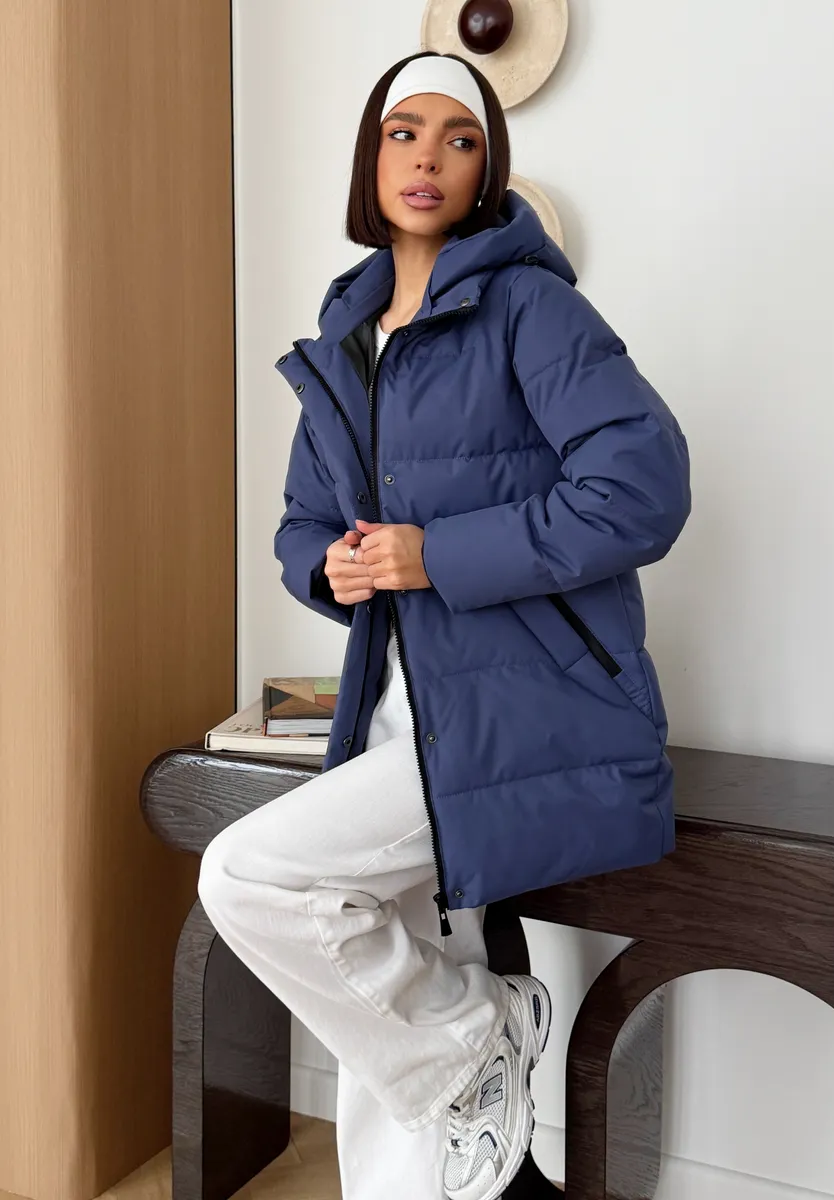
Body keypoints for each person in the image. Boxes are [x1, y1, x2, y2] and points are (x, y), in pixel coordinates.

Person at [198, 50, 691, 1200]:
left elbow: (643, 489)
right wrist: (329, 566)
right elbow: (301, 522)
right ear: (370, 162)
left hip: (527, 708)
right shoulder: (347, 334)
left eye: (458, 139)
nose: (427, 157)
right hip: (392, 707)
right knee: (383, 1034)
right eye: (403, 134)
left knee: (254, 880)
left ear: (486, 170)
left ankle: (478, 1035)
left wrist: (438, 555)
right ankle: (464, 1065)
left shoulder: (530, 307)